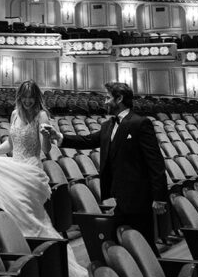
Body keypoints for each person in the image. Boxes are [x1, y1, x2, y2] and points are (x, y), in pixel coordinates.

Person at [0, 79, 87, 277]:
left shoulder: (41, 115)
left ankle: (47, 262)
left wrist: (47, 135)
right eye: (25, 97)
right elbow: (11, 144)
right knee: (14, 216)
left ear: (37, 97)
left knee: (33, 218)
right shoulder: (14, 114)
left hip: (31, 169)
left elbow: (46, 150)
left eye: (32, 97)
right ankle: (22, 263)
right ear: (19, 97)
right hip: (15, 168)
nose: (28, 101)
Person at [61, 81, 168, 251]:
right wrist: (60, 137)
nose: (104, 102)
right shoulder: (108, 125)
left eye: (107, 98)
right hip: (120, 194)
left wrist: (159, 197)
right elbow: (88, 140)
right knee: (124, 240)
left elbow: (155, 162)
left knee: (144, 243)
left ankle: (154, 274)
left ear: (119, 99)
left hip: (139, 196)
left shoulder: (140, 123)